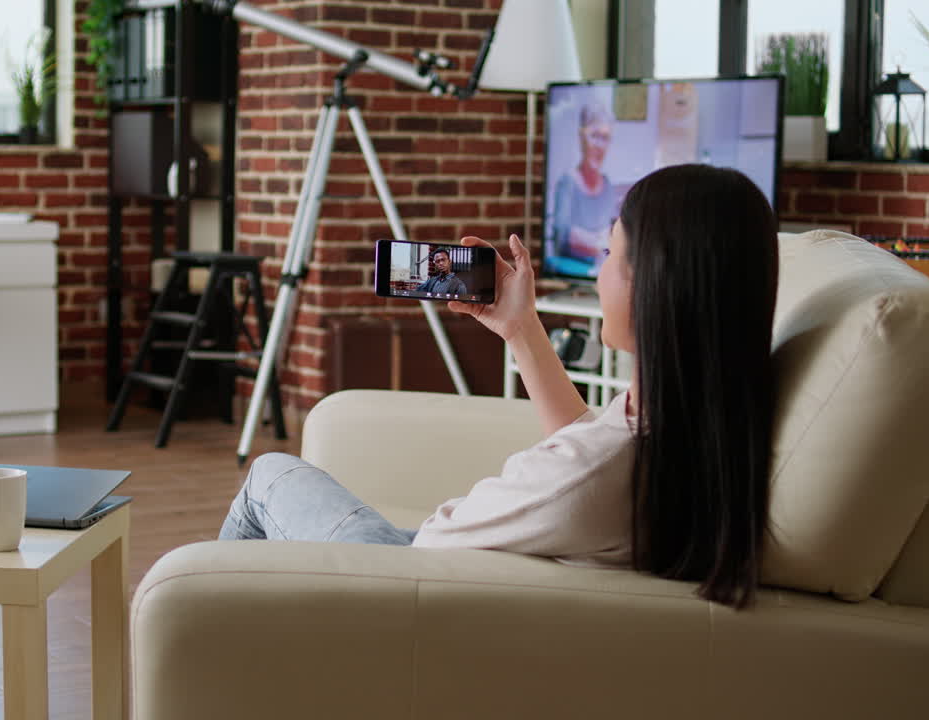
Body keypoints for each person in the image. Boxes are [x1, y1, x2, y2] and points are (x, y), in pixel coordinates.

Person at [220, 164, 779, 609]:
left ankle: (206, 621)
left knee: (272, 474)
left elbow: (437, 541)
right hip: (472, 580)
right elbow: (594, 455)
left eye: (610, 253)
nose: (601, 270)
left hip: (407, 589)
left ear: (653, 284)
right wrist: (521, 327)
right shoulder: (713, 427)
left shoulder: (591, 472)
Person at [545, 102, 621, 277]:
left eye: (605, 138)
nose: (599, 145)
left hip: (603, 271)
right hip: (571, 270)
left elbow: (610, 236)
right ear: (581, 137)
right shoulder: (568, 183)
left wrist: (587, 238)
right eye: (594, 136)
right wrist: (600, 243)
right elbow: (563, 240)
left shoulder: (607, 185)